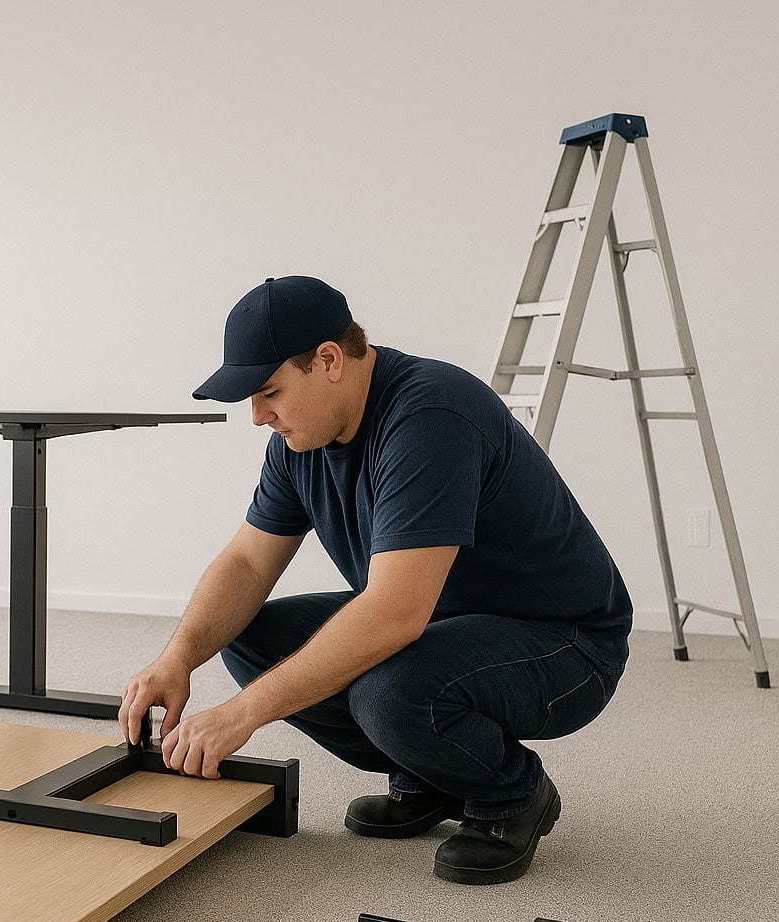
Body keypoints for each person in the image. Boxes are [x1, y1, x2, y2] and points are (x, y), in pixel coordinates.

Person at [119, 275, 631, 884]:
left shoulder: (430, 415)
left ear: (328, 360)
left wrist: (241, 715)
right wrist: (177, 658)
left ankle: (510, 795)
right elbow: (248, 563)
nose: (258, 417)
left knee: (389, 693)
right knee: (255, 638)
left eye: (268, 392)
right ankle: (434, 772)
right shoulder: (298, 440)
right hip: (445, 620)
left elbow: (393, 614)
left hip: (565, 642)